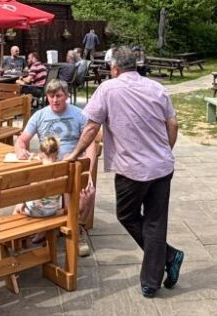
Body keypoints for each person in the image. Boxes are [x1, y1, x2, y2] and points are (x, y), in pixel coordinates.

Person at [68, 46, 183, 299]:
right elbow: (173, 124)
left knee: (127, 214)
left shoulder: (108, 89)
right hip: (162, 167)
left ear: (115, 68)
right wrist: (165, 150)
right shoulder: (157, 88)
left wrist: (74, 154)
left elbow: (91, 127)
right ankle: (158, 272)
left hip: (132, 169)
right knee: (155, 221)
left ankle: (161, 268)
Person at [14, 79, 97, 256]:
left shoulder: (79, 114)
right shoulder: (40, 115)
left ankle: (76, 229)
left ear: (66, 96)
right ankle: (44, 226)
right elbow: (22, 140)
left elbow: (91, 143)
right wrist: (20, 149)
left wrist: (88, 169)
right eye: (51, 96)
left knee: (84, 190)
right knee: (25, 187)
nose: (54, 100)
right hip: (47, 167)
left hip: (72, 166)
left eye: (58, 96)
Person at [13, 136, 63, 218]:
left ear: (41, 153)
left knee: (18, 207)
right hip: (52, 210)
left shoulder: (40, 172)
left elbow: (30, 192)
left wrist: (21, 203)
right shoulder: (60, 169)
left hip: (37, 211)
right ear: (56, 154)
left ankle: (13, 229)